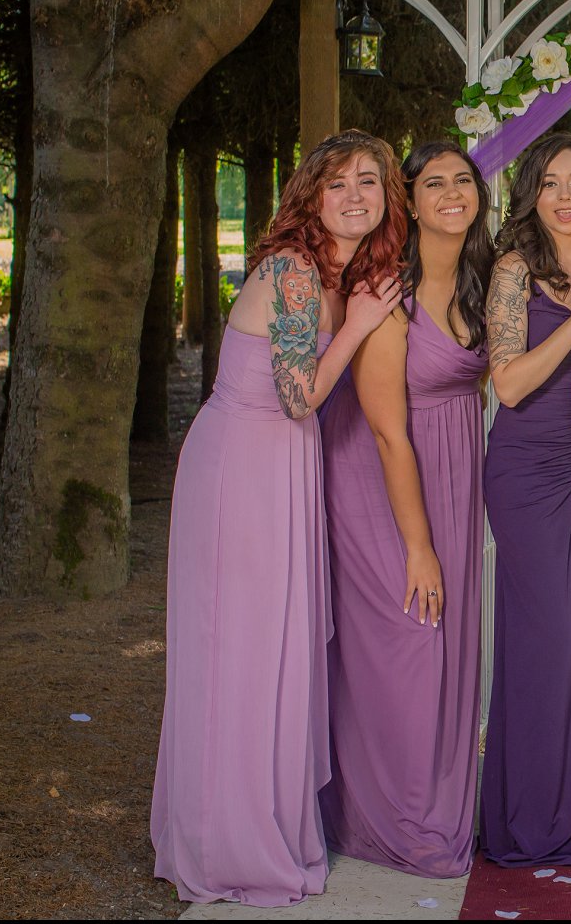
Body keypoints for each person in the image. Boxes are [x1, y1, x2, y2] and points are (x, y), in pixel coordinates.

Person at [151, 129, 407, 906]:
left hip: (283, 461)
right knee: (241, 649)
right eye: (338, 183)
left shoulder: (341, 273)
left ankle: (267, 822)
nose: (356, 195)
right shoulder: (296, 272)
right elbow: (299, 396)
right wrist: (361, 324)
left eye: (370, 180)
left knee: (276, 648)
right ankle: (229, 842)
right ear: (309, 195)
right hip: (242, 467)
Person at [318, 141, 494, 877]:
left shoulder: (487, 278)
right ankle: (388, 819)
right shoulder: (389, 288)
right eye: (434, 183)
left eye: (463, 180)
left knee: (448, 640)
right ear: (409, 201)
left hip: (453, 470)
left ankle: (435, 802)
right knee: (406, 636)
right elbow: (388, 431)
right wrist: (416, 545)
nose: (451, 192)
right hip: (377, 473)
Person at [478, 132, 571, 867]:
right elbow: (507, 385)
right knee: (549, 639)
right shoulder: (513, 270)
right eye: (549, 183)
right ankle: (532, 814)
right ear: (532, 193)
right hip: (530, 469)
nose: (564, 196)